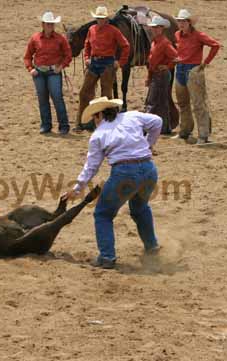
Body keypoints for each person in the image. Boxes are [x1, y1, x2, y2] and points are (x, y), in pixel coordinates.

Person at [64, 97, 162, 268]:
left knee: (103, 214)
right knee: (140, 208)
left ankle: (107, 257)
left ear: (99, 115)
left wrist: (78, 187)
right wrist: (148, 144)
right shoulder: (132, 116)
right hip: (148, 169)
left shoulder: (98, 135)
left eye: (95, 117)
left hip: (124, 173)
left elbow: (91, 166)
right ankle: (151, 246)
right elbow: (157, 121)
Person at [74, 6, 130, 132]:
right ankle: (82, 122)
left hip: (107, 64)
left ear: (106, 19)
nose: (99, 20)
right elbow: (87, 45)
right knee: (84, 92)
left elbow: (126, 46)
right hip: (94, 63)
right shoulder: (91, 29)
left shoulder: (114, 31)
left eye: (102, 18)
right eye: (98, 18)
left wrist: (120, 62)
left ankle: (106, 123)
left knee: (106, 95)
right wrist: (87, 57)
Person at [172, 9, 220, 145]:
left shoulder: (198, 35)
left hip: (193, 70)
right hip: (181, 68)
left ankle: (203, 135)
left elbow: (215, 45)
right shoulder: (177, 35)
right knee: (182, 103)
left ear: (189, 22)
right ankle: (185, 131)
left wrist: (205, 63)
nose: (181, 24)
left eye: (183, 21)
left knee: (198, 104)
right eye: (179, 21)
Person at [23, 11, 72, 135]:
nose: (50, 26)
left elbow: (68, 55)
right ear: (43, 24)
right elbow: (27, 56)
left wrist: (61, 66)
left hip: (53, 72)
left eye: (52, 24)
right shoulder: (35, 38)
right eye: (48, 24)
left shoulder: (60, 39)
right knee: (42, 99)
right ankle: (46, 125)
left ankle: (64, 125)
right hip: (39, 72)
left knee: (57, 98)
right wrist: (31, 69)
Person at [144, 16, 178, 136]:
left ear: (162, 28)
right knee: (162, 101)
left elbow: (176, 57)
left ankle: (146, 127)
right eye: (153, 27)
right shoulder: (155, 42)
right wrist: (149, 76)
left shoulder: (164, 42)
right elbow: (151, 61)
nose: (154, 30)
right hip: (156, 74)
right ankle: (165, 127)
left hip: (161, 75)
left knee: (152, 101)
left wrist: (167, 66)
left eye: (157, 27)